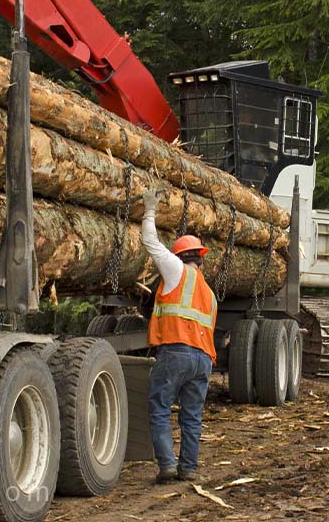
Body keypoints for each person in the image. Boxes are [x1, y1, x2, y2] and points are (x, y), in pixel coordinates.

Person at [141, 189, 219, 484]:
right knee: (191, 416)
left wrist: (150, 209)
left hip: (175, 352)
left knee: (160, 408)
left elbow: (150, 242)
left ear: (179, 256)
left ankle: (167, 466)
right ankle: (188, 468)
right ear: (201, 257)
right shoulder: (210, 295)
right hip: (202, 361)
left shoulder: (175, 270)